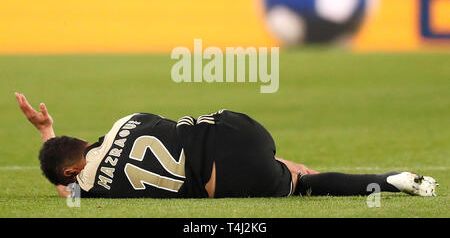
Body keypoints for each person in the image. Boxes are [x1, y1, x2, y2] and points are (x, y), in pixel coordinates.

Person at [15, 92, 438, 199]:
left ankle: (391, 180)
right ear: (85, 142)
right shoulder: (126, 120)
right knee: (290, 168)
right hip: (235, 126)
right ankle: (288, 169)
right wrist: (51, 128)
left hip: (223, 173)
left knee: (302, 187)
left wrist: (42, 133)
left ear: (73, 170)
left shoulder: (88, 185)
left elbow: (66, 189)